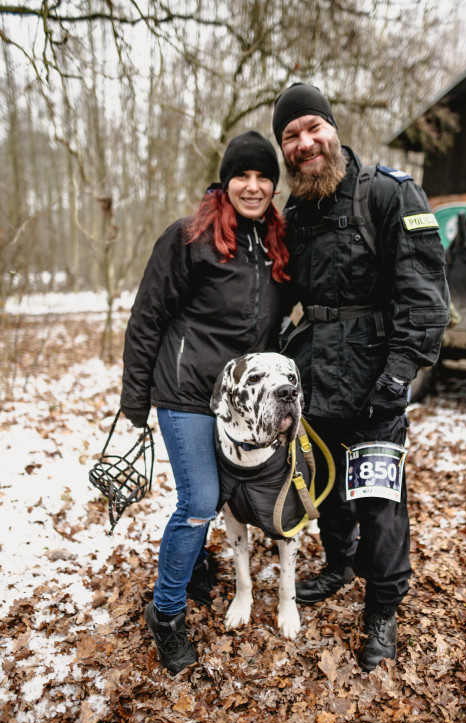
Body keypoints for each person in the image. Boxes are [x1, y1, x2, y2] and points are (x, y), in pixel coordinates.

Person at [272, 83, 450, 671]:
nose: (305, 144)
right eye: (291, 136)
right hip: (314, 375)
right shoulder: (296, 211)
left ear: (333, 128)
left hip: (377, 376)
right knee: (323, 488)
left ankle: (382, 607)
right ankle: (338, 565)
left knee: (378, 499)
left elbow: (423, 294)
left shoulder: (389, 193)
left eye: (312, 129)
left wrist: (400, 373)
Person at [120, 131, 289, 674]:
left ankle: (191, 570)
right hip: (188, 392)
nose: (254, 186)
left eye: (265, 177)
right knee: (200, 500)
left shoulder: (276, 246)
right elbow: (147, 316)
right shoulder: (189, 237)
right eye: (244, 175)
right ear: (226, 182)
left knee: (219, 498)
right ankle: (165, 615)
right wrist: (135, 397)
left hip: (242, 403)